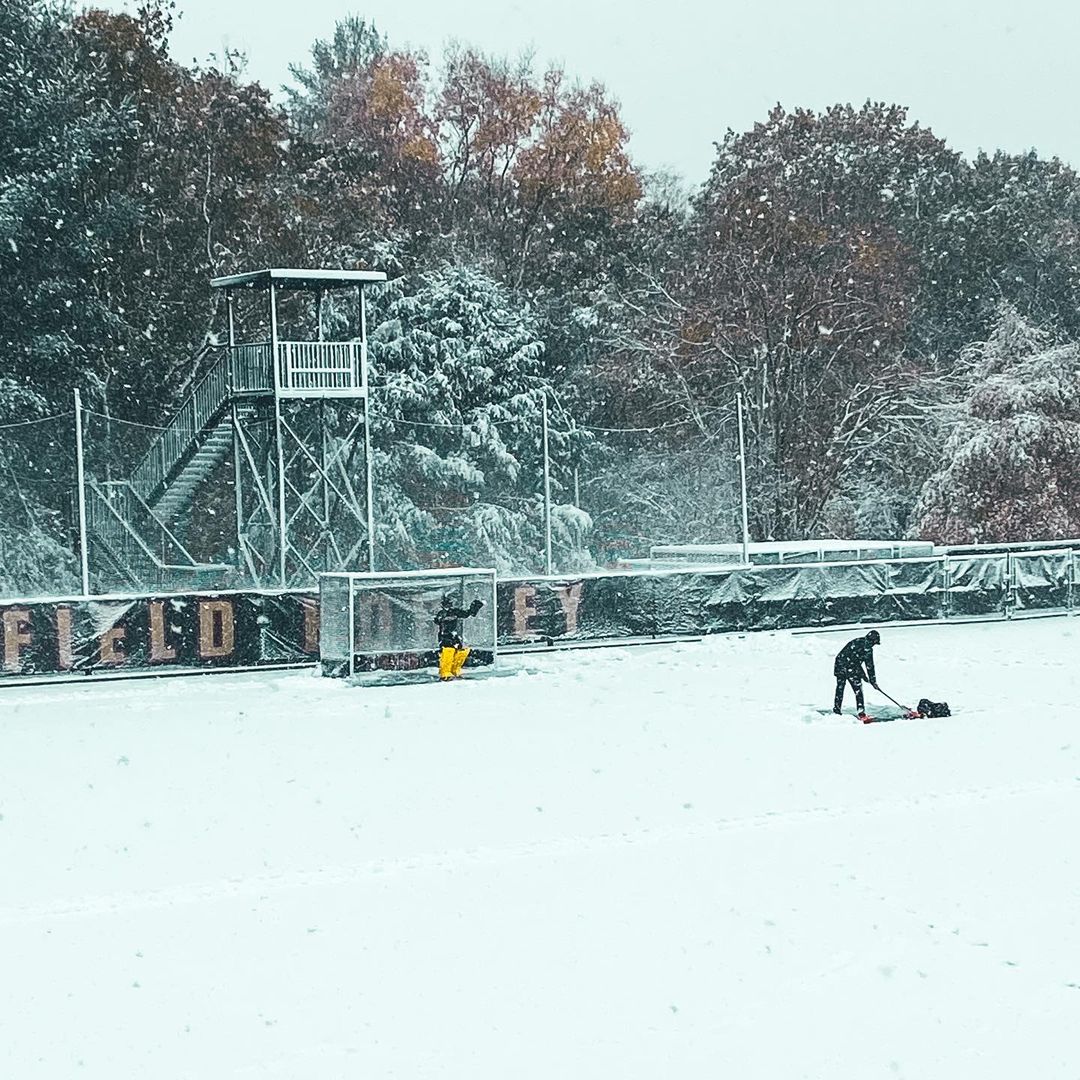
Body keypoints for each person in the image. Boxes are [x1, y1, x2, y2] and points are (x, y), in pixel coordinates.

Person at [434, 595, 484, 680]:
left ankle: (455, 670)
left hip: (454, 635)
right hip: (444, 636)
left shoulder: (455, 611)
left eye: (449, 604)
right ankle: (445, 672)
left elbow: (466, 614)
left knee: (461, 651)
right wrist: (443, 618)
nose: (448, 606)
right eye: (446, 604)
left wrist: (473, 608)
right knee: (448, 651)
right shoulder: (441, 613)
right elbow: (437, 620)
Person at [833, 629, 880, 716]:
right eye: (872, 643)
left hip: (852, 667)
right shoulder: (856, 643)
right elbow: (854, 661)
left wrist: (873, 681)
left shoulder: (868, 650)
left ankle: (860, 711)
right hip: (841, 665)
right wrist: (863, 675)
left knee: (857, 689)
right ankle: (837, 709)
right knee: (842, 687)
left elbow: (870, 666)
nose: (872, 645)